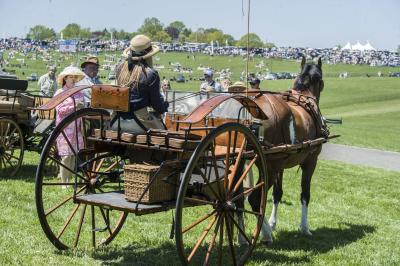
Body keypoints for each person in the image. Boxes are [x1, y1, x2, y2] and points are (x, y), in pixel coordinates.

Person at [112, 34, 169, 134]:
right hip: (139, 122)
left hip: (116, 120)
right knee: (164, 132)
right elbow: (157, 105)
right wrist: (164, 106)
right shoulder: (151, 74)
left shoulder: (119, 68)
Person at [54, 66, 85, 189]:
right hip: (65, 128)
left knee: (73, 155)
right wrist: (74, 106)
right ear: (65, 78)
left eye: (74, 77)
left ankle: (70, 181)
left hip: (77, 127)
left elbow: (83, 107)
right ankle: (63, 183)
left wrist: (81, 106)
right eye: (70, 77)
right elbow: (60, 110)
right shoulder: (59, 93)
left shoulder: (79, 93)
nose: (73, 79)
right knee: (65, 156)